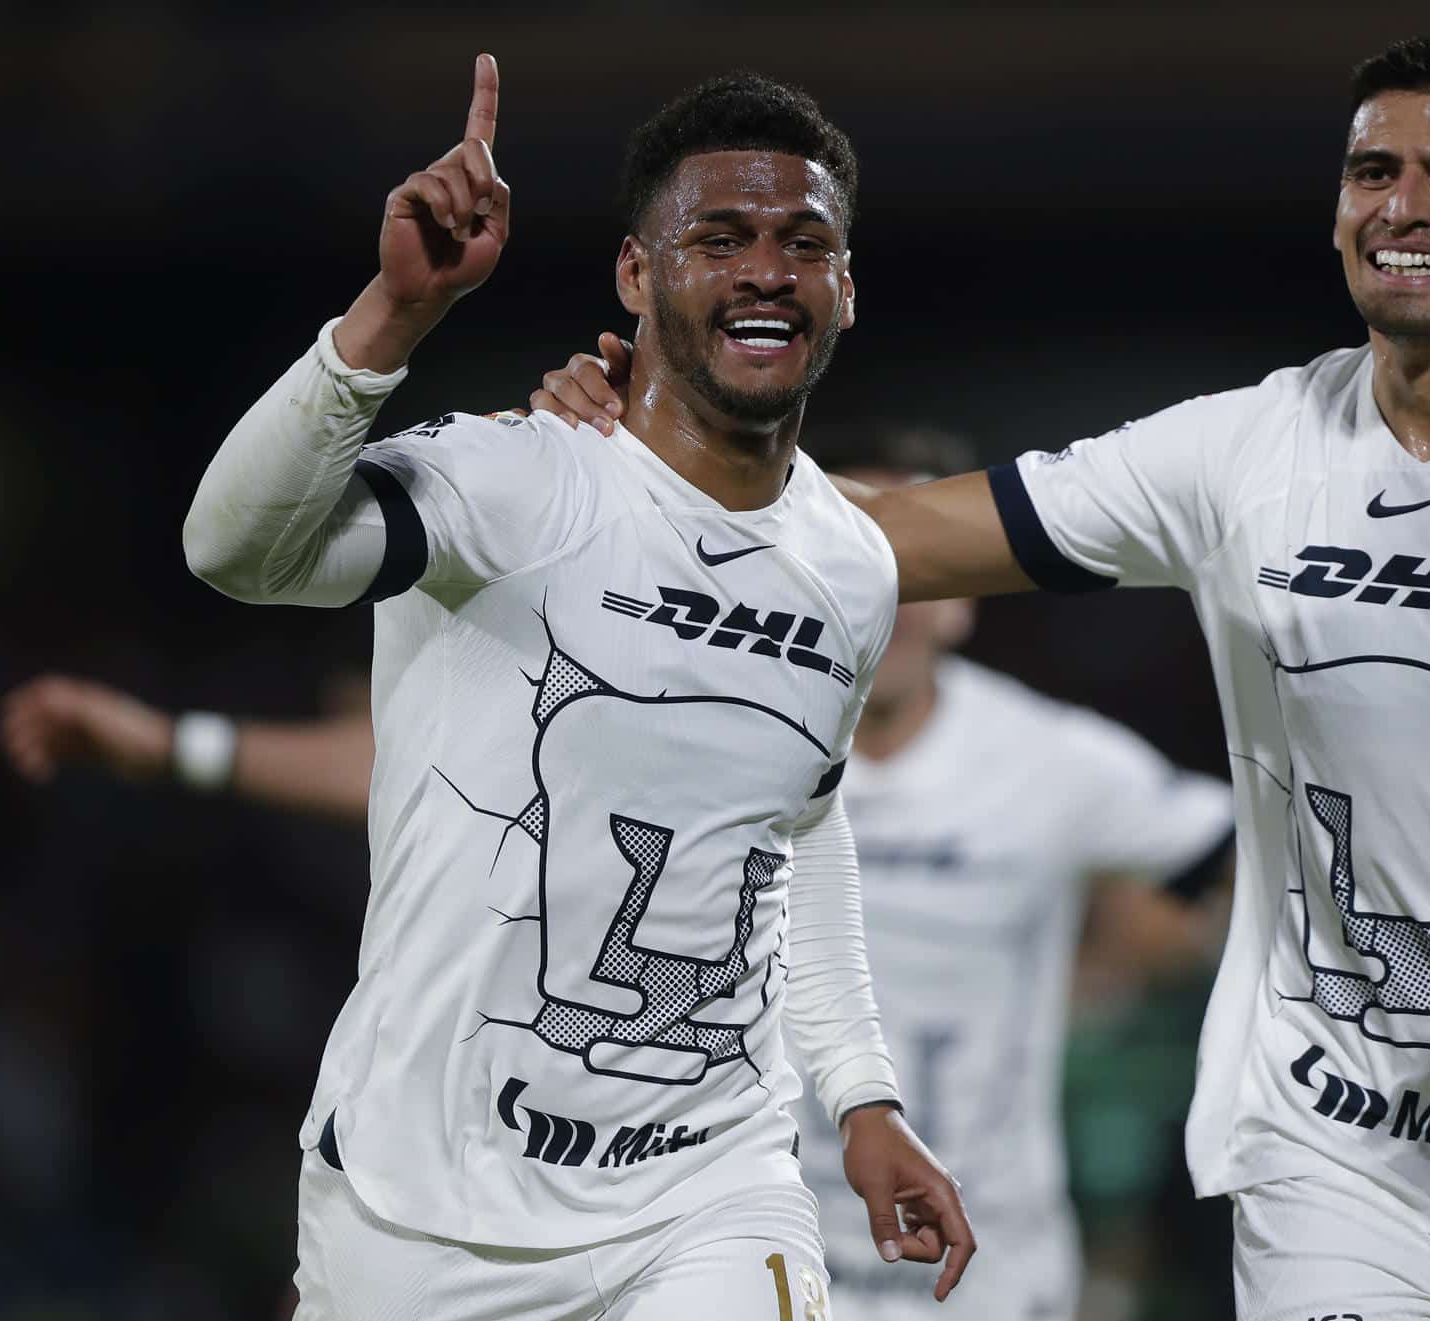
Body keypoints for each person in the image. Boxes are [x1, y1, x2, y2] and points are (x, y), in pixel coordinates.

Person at [530, 32, 1430, 1319]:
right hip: (1336, 1160)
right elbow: (880, 538)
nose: (1403, 206)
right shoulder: (1252, 452)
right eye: (1374, 172)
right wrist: (629, 461)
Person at [3, 424, 1240, 1321]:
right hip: (650, 1206)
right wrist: (180, 743)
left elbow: (1231, 866)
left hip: (946, 1260)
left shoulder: (1047, 760)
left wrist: (1103, 974)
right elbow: (414, 764)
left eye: (923, 562)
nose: (902, 597)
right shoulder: (696, 703)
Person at [178, 58, 971, 1320]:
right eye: (721, 239)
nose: (768, 270)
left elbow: (798, 834)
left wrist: (861, 1095)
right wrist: (392, 313)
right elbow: (235, 550)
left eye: (803, 243)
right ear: (636, 275)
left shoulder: (852, 567)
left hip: (710, 1186)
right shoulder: (515, 482)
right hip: (420, 1204)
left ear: (847, 289)